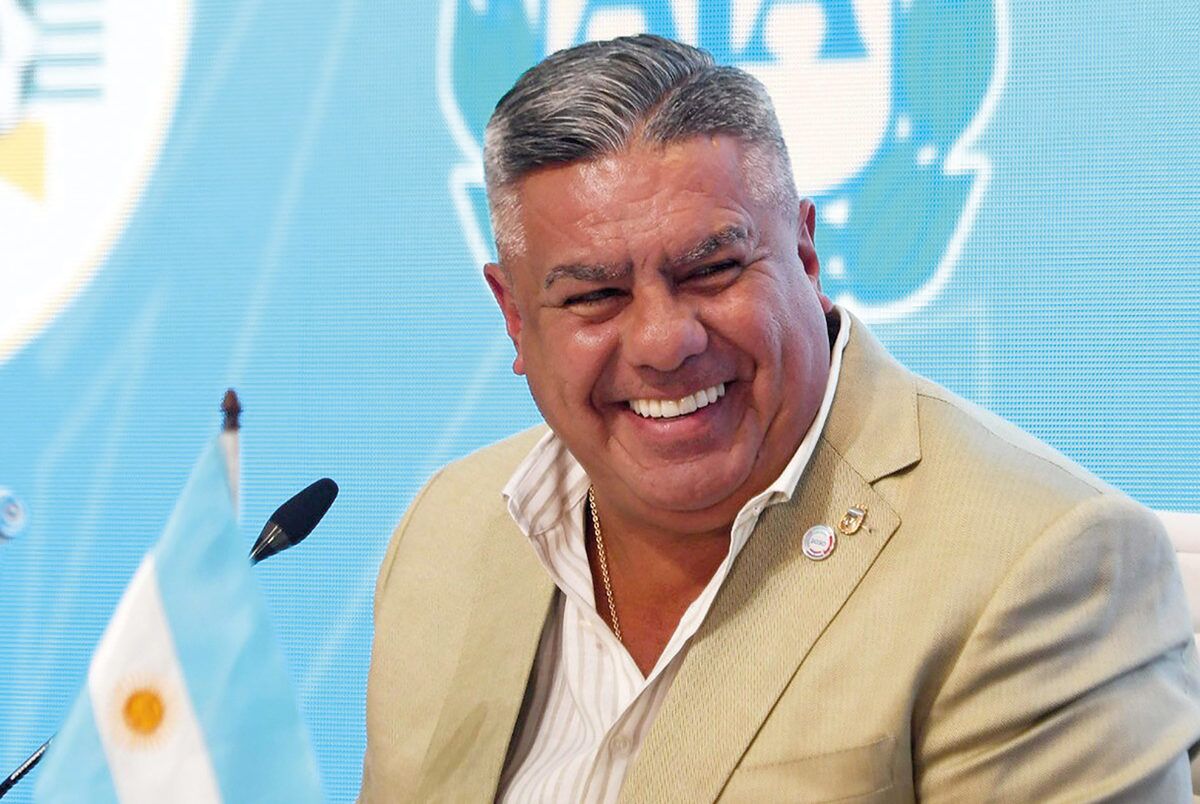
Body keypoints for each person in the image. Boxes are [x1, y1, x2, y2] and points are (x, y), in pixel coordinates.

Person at [360, 35, 1200, 802]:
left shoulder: (1042, 563)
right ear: (514, 317)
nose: (664, 342)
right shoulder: (445, 530)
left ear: (804, 253)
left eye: (712, 271)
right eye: (595, 296)